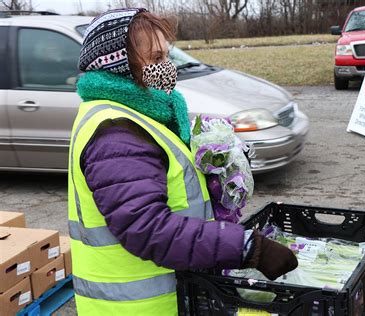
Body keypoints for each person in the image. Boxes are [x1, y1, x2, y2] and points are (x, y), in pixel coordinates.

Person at [69, 8, 297, 315]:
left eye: (166, 55)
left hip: (165, 295)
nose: (166, 67)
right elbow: (147, 228)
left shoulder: (141, 114)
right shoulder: (115, 132)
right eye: (154, 58)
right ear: (119, 64)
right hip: (137, 306)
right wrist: (247, 248)